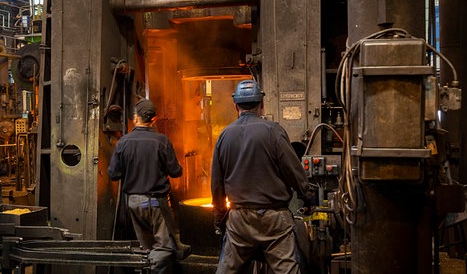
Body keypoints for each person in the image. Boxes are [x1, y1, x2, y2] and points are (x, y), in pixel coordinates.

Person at [211, 80, 313, 273]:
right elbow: (293, 170)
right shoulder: (273, 131)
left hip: (239, 220)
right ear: (262, 104)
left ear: (235, 106)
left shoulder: (225, 135)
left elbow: (217, 182)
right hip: (275, 220)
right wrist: (307, 197)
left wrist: (219, 218)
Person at [108, 98, 188, 273]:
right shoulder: (161, 141)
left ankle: (147, 267)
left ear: (135, 118)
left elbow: (113, 174)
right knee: (164, 247)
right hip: (155, 202)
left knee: (147, 247)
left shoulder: (123, 142)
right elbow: (176, 172)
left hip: (133, 203)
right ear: (154, 119)